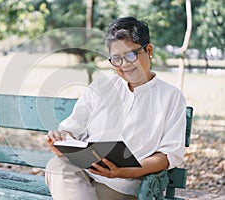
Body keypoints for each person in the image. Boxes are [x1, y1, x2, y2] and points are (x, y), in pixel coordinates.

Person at [45, 16, 186, 200]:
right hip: (83, 174)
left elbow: (168, 155)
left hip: (123, 186)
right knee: (56, 167)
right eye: (116, 59)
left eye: (130, 55)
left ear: (148, 50)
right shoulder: (100, 87)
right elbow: (71, 131)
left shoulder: (171, 97)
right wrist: (61, 142)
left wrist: (125, 171)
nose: (125, 64)